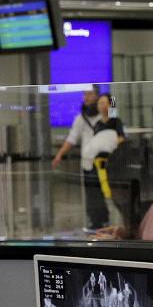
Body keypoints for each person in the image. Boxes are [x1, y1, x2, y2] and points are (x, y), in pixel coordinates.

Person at [52, 88, 109, 230]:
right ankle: (95, 222)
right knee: (91, 193)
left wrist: (110, 97)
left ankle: (106, 219)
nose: (86, 97)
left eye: (90, 94)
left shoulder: (105, 115)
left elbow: (114, 110)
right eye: (84, 94)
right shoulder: (81, 118)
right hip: (89, 162)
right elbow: (71, 139)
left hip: (106, 162)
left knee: (107, 191)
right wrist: (60, 154)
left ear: (97, 96)